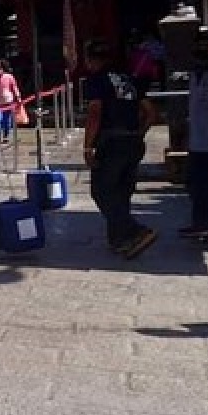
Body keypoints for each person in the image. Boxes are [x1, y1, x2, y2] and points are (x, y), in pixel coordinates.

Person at [82, 40, 158, 259]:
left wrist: (88, 147)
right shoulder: (128, 79)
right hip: (133, 141)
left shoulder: (97, 80)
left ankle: (134, 231)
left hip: (112, 142)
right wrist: (139, 132)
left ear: (91, 59)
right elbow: (151, 113)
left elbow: (95, 113)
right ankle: (119, 239)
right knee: (122, 192)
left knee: (102, 190)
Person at [183, 28, 208, 243]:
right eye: (200, 44)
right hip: (198, 141)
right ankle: (201, 224)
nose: (204, 49)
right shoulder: (196, 71)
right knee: (198, 187)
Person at [0, 60, 23, 142]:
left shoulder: (9, 77)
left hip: (8, 103)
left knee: (7, 121)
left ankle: (6, 136)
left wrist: (18, 98)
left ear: (3, 68)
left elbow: (14, 88)